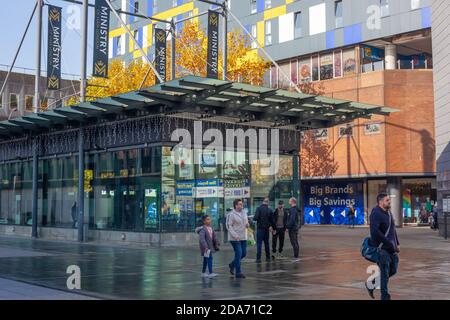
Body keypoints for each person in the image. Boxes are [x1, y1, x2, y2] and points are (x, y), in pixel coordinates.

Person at [366, 193, 400, 300]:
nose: (389, 202)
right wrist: (388, 243)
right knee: (384, 273)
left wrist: (397, 243)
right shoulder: (376, 213)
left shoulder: (388, 212)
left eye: (389, 200)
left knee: (393, 270)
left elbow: (392, 229)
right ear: (380, 202)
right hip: (382, 249)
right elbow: (374, 232)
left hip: (391, 248)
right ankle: (385, 297)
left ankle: (371, 284)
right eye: (387, 200)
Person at [227, 199, 249, 279]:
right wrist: (235, 235)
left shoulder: (244, 212)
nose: (241, 205)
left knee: (243, 254)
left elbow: (245, 222)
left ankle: (232, 264)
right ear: (235, 205)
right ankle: (238, 272)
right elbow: (229, 226)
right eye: (240, 204)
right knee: (239, 253)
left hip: (243, 236)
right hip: (235, 238)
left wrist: (247, 224)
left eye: (241, 204)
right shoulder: (231, 214)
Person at [253, 197, 274, 263]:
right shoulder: (269, 210)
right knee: (266, 243)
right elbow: (272, 220)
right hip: (266, 229)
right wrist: (271, 227)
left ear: (263, 202)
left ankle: (258, 259)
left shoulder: (258, 209)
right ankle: (268, 257)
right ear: (268, 202)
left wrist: (254, 217)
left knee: (259, 244)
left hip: (260, 229)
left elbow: (255, 218)